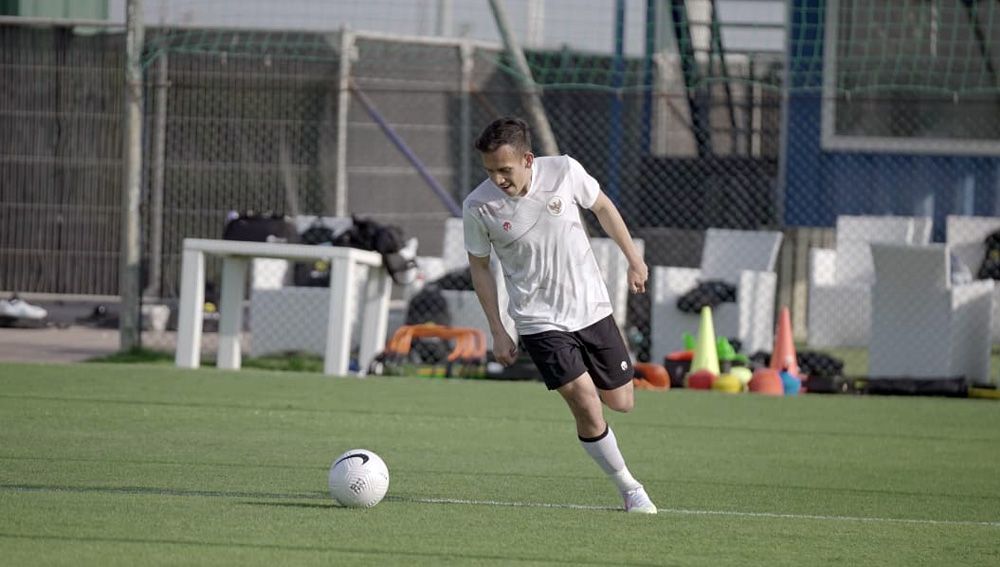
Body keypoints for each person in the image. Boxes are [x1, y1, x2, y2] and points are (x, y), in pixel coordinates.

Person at [463, 117, 657, 514]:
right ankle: (630, 488)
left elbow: (602, 206)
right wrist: (498, 329)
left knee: (621, 402)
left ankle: (594, 384)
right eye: (489, 171)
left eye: (505, 169)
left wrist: (634, 260)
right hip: (537, 320)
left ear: (528, 159)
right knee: (586, 402)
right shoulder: (478, 207)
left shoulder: (565, 170)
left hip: (591, 308)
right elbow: (480, 268)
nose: (497, 179)